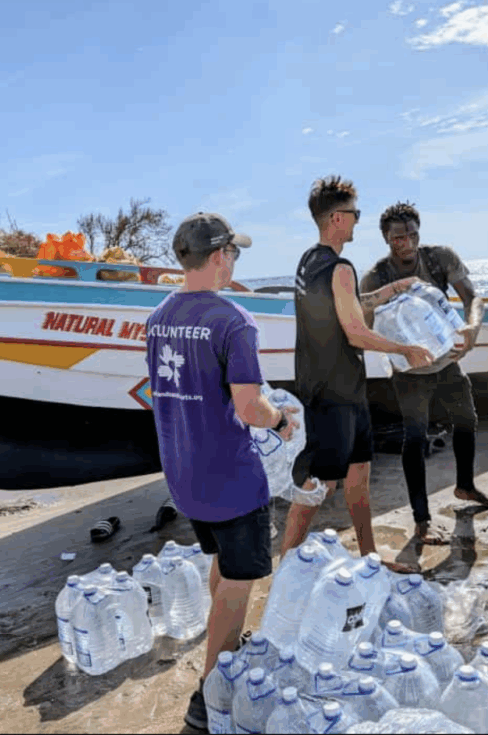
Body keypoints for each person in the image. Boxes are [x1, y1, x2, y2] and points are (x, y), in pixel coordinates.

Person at [145, 212, 300, 731]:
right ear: (218, 258)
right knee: (240, 582)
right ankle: (209, 694)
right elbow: (249, 408)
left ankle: (227, 644)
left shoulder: (159, 315)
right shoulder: (233, 321)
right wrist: (282, 421)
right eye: (235, 252)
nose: (236, 261)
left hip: (184, 475)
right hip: (232, 479)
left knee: (223, 564)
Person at [281, 176, 434, 569]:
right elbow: (355, 331)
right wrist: (406, 349)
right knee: (319, 484)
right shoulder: (341, 267)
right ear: (336, 217)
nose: (357, 221)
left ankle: (368, 556)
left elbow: (347, 306)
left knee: (359, 473)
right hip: (334, 393)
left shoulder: (309, 261)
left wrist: (392, 289)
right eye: (354, 214)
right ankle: (285, 567)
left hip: (337, 388)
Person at [359, 201, 488, 546]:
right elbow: (363, 321)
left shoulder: (439, 258)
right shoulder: (377, 276)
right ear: (385, 239)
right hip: (409, 372)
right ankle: (421, 520)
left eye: (411, 234)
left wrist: (472, 328)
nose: (405, 242)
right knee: (415, 436)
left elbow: (473, 297)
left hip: (447, 360)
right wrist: (397, 353)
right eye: (397, 238)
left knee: (466, 419)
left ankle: (465, 486)